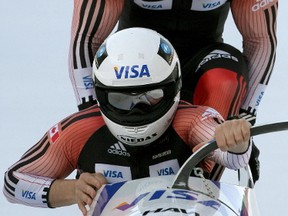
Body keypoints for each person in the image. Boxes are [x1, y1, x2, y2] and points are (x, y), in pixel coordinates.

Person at [4, 28, 252, 216]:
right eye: (122, 99)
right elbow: (13, 182)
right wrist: (72, 190)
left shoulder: (193, 120)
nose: (136, 110)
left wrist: (235, 139)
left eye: (150, 97)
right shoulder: (79, 131)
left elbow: (233, 156)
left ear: (172, 89)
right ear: (102, 94)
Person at [68, 0, 278, 182]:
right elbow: (87, 39)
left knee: (224, 80)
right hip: (136, 66)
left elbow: (260, 40)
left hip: (203, 58)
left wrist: (240, 124)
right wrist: (93, 125)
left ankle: (204, 186)